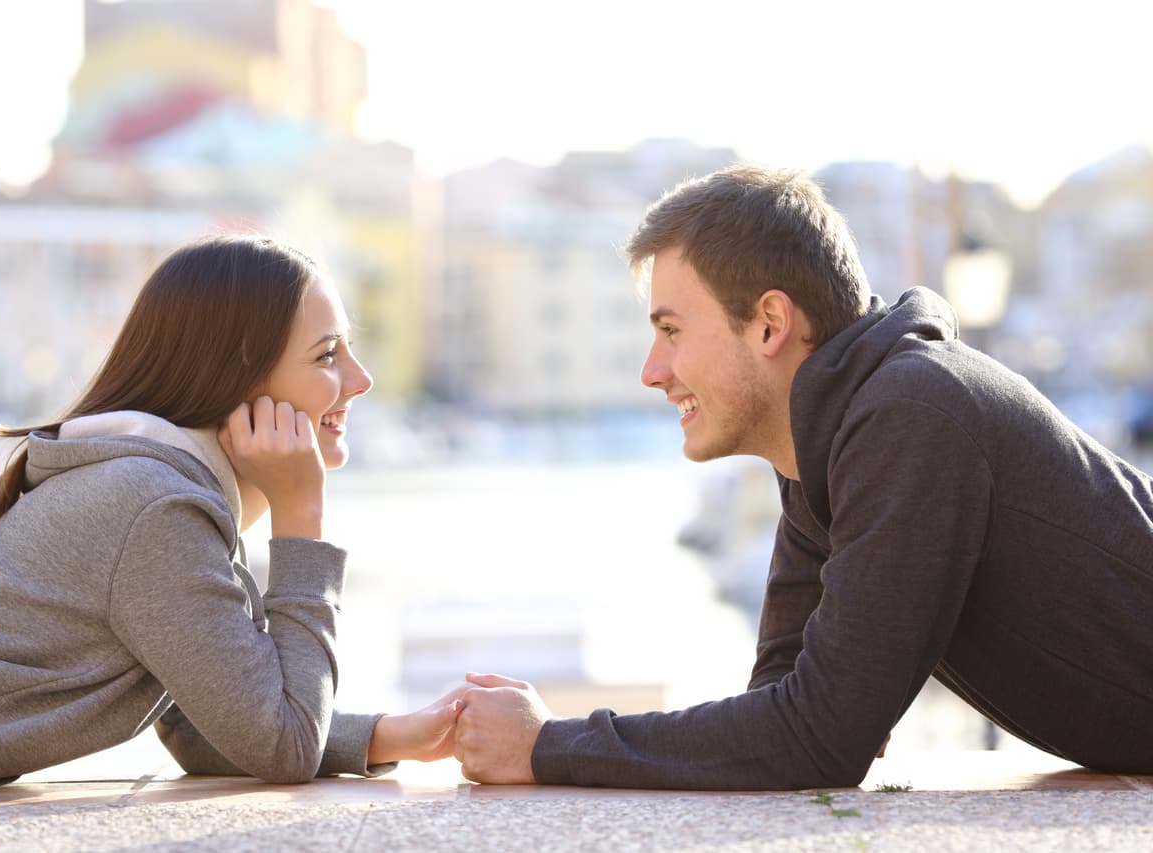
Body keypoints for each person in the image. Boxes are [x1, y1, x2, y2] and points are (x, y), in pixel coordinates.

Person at [453, 165, 1153, 790]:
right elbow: (786, 702)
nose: (651, 370)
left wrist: (548, 745)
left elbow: (817, 738)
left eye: (670, 331)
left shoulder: (909, 414)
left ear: (769, 323)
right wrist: (827, 710)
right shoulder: (830, 443)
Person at [0, 235, 464, 793]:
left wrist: (391, 735)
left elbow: (211, 719)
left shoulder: (151, 485)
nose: (361, 380)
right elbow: (283, 745)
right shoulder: (154, 504)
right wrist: (300, 513)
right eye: (327, 355)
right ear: (235, 377)